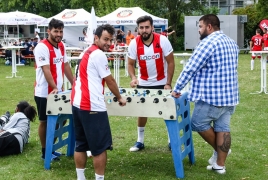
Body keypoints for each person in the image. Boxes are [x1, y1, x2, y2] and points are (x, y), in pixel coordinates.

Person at [172, 14, 239, 174]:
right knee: (223, 128)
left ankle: (220, 149)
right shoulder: (232, 42)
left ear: (209, 26)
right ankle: (219, 165)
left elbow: (191, 68)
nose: (199, 30)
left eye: (200, 27)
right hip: (230, 96)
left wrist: (177, 88)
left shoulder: (207, 43)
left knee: (197, 123)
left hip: (211, 97)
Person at [71, 24, 126, 180]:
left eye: (110, 40)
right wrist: (120, 97)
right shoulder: (99, 54)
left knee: (80, 144)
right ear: (96, 37)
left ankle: (80, 178)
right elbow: (110, 80)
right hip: (92, 106)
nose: (108, 43)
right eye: (105, 39)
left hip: (77, 105)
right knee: (100, 148)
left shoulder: (84, 52)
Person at [128, 15, 175, 152]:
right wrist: (133, 77)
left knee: (167, 112)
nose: (144, 30)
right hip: (143, 83)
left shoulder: (163, 40)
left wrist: (168, 83)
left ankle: (171, 140)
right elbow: (130, 64)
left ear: (152, 27)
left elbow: (171, 62)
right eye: (141, 28)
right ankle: (140, 141)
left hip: (162, 82)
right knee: (142, 112)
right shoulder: (134, 43)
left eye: (147, 27)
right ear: (138, 29)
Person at [34, 18, 74, 161]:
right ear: (49, 31)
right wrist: (55, 87)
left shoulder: (61, 45)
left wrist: (74, 83)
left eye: (61, 31)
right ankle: (45, 152)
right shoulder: (41, 47)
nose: (58, 34)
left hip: (59, 91)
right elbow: (46, 70)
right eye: (56, 31)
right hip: (44, 92)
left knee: (62, 119)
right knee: (44, 121)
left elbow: (66, 66)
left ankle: (52, 147)